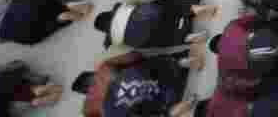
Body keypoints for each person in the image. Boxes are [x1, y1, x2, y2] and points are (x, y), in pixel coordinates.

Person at [72, 49, 201, 117]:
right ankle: (179, 62)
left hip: (163, 100)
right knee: (137, 68)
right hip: (158, 75)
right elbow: (135, 55)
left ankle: (175, 109)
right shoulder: (104, 68)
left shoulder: (96, 109)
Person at [210, 14, 278, 94]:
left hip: (260, 63)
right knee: (277, 25)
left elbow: (240, 80)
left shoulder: (224, 63)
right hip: (263, 39)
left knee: (277, 69)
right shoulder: (230, 28)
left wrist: (256, 79)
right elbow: (254, 19)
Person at [94, 0, 219, 50]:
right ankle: (194, 9)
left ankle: (185, 37)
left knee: (159, 41)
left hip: (145, 38)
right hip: (151, 16)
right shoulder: (118, 9)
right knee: (166, 4)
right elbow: (135, 3)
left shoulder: (112, 38)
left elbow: (107, 44)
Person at [0, 0, 94, 45]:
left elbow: (6, 40)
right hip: (30, 8)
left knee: (41, 31)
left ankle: (59, 19)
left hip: (27, 32)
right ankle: (67, 5)